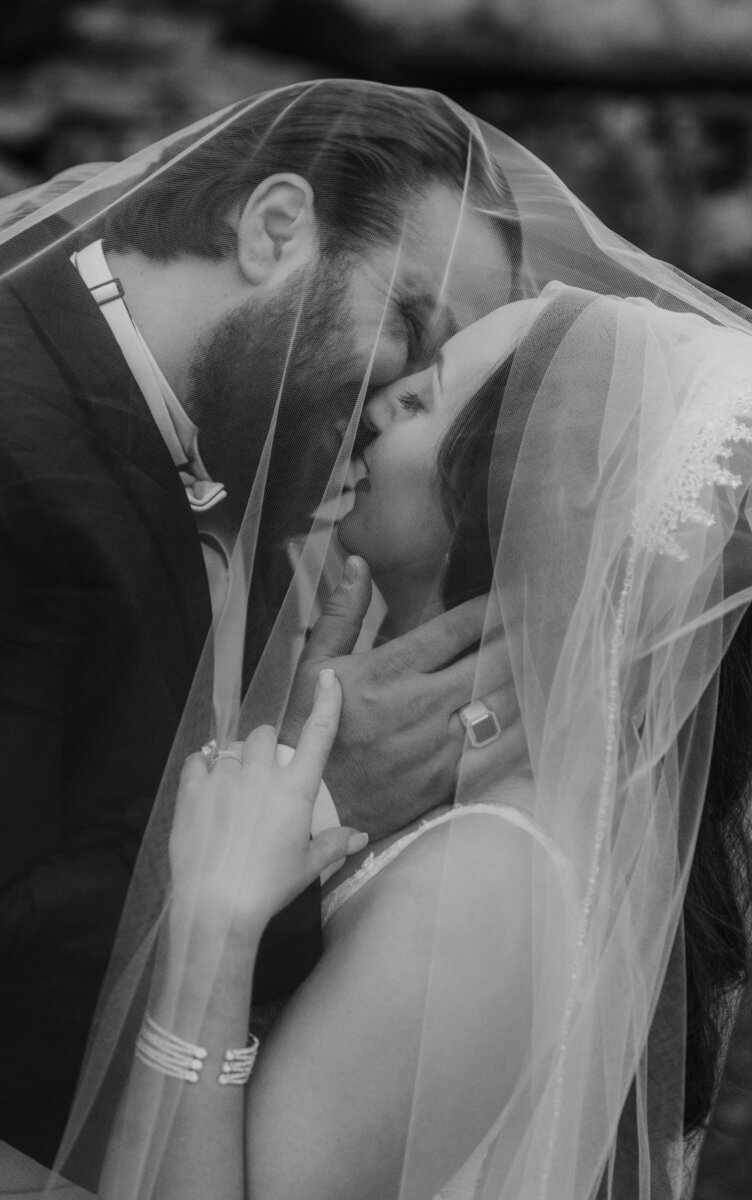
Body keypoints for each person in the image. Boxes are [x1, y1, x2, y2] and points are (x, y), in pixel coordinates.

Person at [58, 284, 752, 1200]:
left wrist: (214, 924)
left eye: (423, 398)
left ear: (525, 492)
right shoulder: (455, 802)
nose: (377, 404)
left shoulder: (485, 877)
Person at [0, 81, 520, 1165]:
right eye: (408, 325)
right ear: (276, 227)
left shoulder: (241, 459)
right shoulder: (13, 456)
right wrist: (313, 800)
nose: (391, 413)